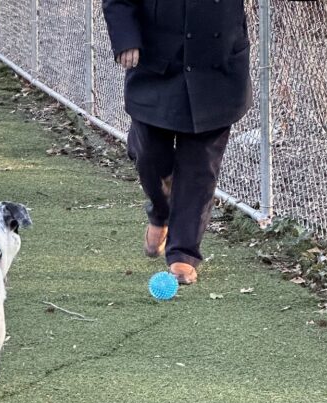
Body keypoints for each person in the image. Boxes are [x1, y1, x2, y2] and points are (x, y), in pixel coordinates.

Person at [102, 0, 252, 285]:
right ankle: (161, 212)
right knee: (148, 152)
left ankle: (183, 253)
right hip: (155, 63)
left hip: (216, 66)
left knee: (199, 166)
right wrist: (125, 38)